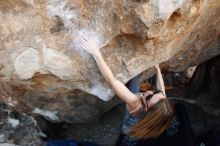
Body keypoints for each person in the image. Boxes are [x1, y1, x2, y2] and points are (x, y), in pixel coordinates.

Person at [79, 34, 174, 145]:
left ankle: (127, 135)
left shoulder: (134, 102)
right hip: (142, 107)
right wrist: (157, 70)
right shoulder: (159, 103)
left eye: (149, 96)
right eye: (156, 93)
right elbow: (161, 90)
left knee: (127, 128)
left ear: (147, 108)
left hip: (131, 122)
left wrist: (96, 52)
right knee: (136, 75)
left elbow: (112, 81)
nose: (150, 91)